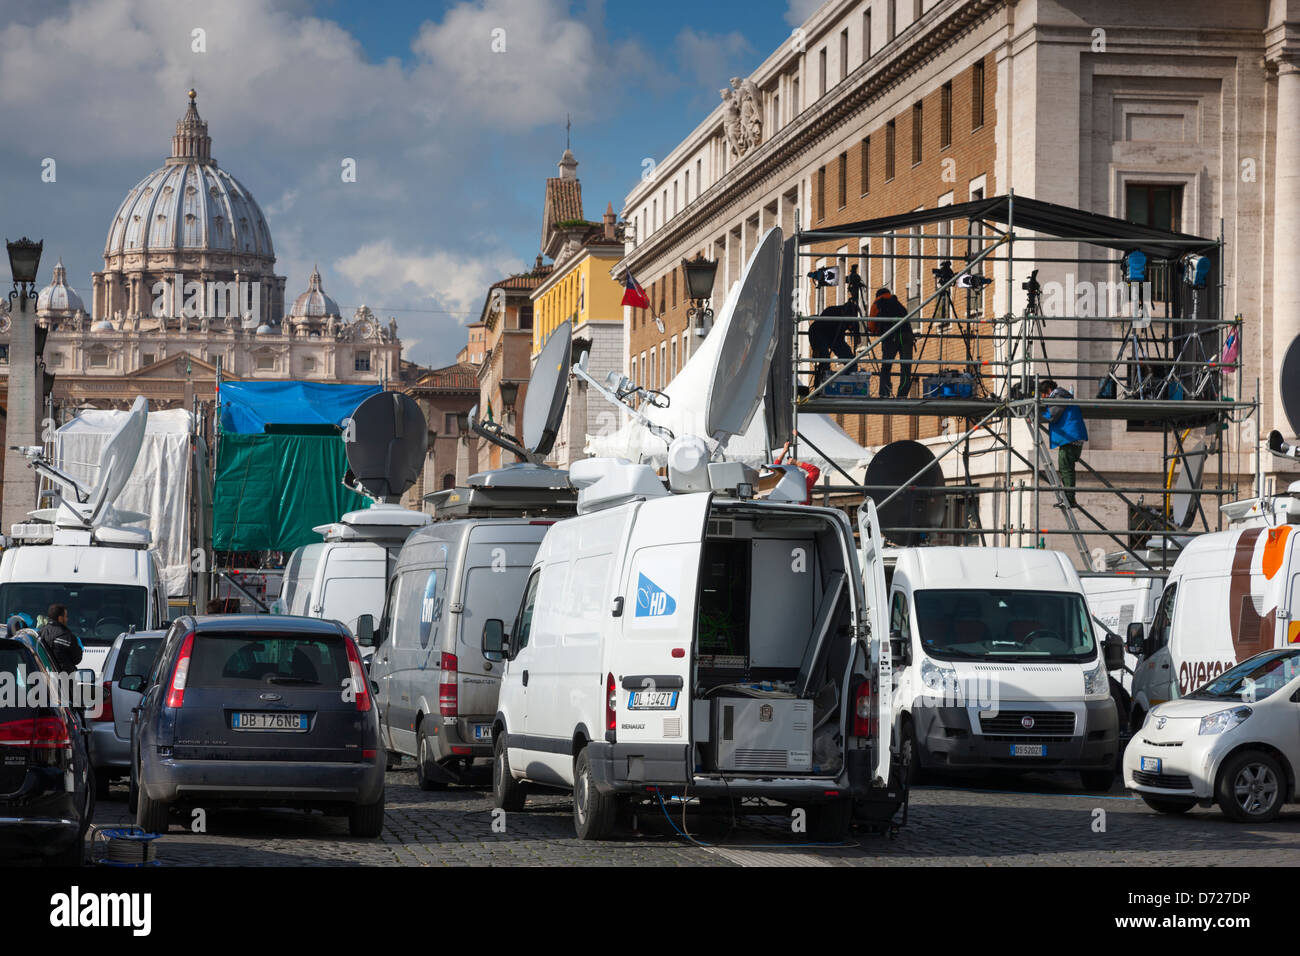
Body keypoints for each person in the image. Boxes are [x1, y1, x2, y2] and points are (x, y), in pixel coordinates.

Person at [1039, 378, 1088, 507]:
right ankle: (1069, 498)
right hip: (1072, 436)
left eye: (1043, 395)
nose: (1042, 399)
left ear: (1048, 390)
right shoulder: (1062, 395)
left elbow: (1053, 415)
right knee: (1066, 467)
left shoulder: (1058, 396)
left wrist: (1036, 416)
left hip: (1071, 437)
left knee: (1066, 468)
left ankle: (1070, 499)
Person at [870, 287, 914, 397]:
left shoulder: (878, 302)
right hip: (907, 336)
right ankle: (902, 394)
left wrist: (877, 331)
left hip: (891, 337)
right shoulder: (898, 304)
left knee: (886, 366)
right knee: (905, 367)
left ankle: (885, 392)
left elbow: (871, 325)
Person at [808, 300, 861, 389]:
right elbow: (815, 331)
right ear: (844, 312)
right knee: (824, 360)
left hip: (836, 339)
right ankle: (821, 387)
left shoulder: (851, 318)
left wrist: (857, 335)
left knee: (851, 361)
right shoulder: (831, 311)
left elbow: (856, 333)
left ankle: (848, 386)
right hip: (820, 335)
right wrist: (815, 348)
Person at [772, 433, 822, 504]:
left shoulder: (801, 486)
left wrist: (796, 462)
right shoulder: (801, 486)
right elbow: (815, 471)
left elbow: (815, 471)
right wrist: (795, 462)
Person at [37, 603, 83, 675]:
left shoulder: (40, 633)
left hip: (44, 678)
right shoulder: (67, 636)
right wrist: (79, 648)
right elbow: (77, 659)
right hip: (64, 680)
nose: (67, 619)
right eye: (66, 616)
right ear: (60, 618)